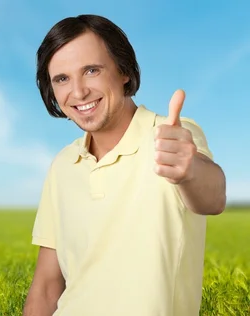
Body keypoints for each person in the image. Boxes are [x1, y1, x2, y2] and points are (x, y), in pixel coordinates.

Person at [22, 14, 227, 316]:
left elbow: (213, 197)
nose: (78, 92)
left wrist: (189, 171)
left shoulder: (173, 137)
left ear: (124, 72)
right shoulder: (63, 164)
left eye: (91, 70)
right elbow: (47, 285)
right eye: (62, 79)